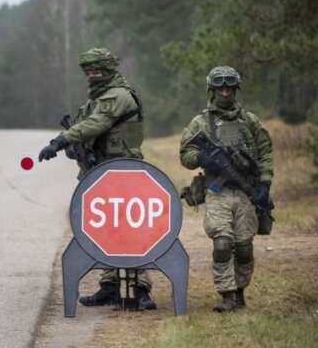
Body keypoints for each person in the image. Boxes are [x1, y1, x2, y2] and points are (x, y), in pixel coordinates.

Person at [37, 47, 156, 310]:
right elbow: (86, 128)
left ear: (109, 70)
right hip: (102, 174)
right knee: (106, 230)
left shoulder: (119, 95)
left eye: (97, 70)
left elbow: (97, 124)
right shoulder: (95, 99)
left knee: (131, 229)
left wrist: (61, 140)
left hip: (125, 171)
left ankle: (140, 288)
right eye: (88, 72)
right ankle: (110, 285)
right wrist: (73, 147)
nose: (92, 75)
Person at [179, 66, 273, 312]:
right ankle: (227, 295)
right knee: (222, 244)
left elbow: (265, 152)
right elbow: (185, 154)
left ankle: (240, 290)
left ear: (235, 89)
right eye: (220, 87)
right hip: (217, 191)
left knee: (244, 247)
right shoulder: (200, 122)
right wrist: (202, 158)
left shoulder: (249, 121)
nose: (224, 91)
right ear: (212, 89)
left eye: (229, 87)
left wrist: (264, 184)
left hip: (246, 191)